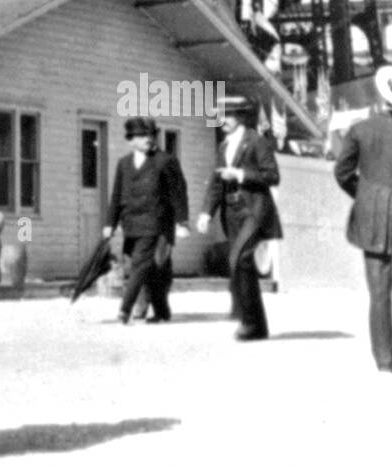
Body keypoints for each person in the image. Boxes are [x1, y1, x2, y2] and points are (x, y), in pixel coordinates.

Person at [334, 65, 392, 373]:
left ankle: (385, 361)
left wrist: (364, 195)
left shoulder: (359, 129)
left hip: (371, 216)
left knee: (379, 291)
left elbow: (342, 173)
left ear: (382, 95)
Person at [196, 96, 282, 341]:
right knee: (242, 264)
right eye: (220, 114)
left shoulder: (257, 141)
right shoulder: (223, 146)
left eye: (229, 114)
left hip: (254, 210)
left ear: (241, 116)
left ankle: (248, 322)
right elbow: (215, 183)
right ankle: (257, 326)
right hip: (231, 212)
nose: (222, 120)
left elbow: (272, 176)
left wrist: (240, 174)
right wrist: (205, 213)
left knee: (239, 258)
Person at [103, 117, 189, 324]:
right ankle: (162, 310)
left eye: (151, 135)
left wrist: (182, 221)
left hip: (156, 224)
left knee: (140, 266)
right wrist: (109, 224)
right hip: (131, 224)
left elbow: (178, 193)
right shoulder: (123, 164)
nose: (148, 139)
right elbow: (116, 196)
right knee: (152, 268)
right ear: (130, 140)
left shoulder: (165, 161)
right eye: (142, 136)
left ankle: (125, 310)